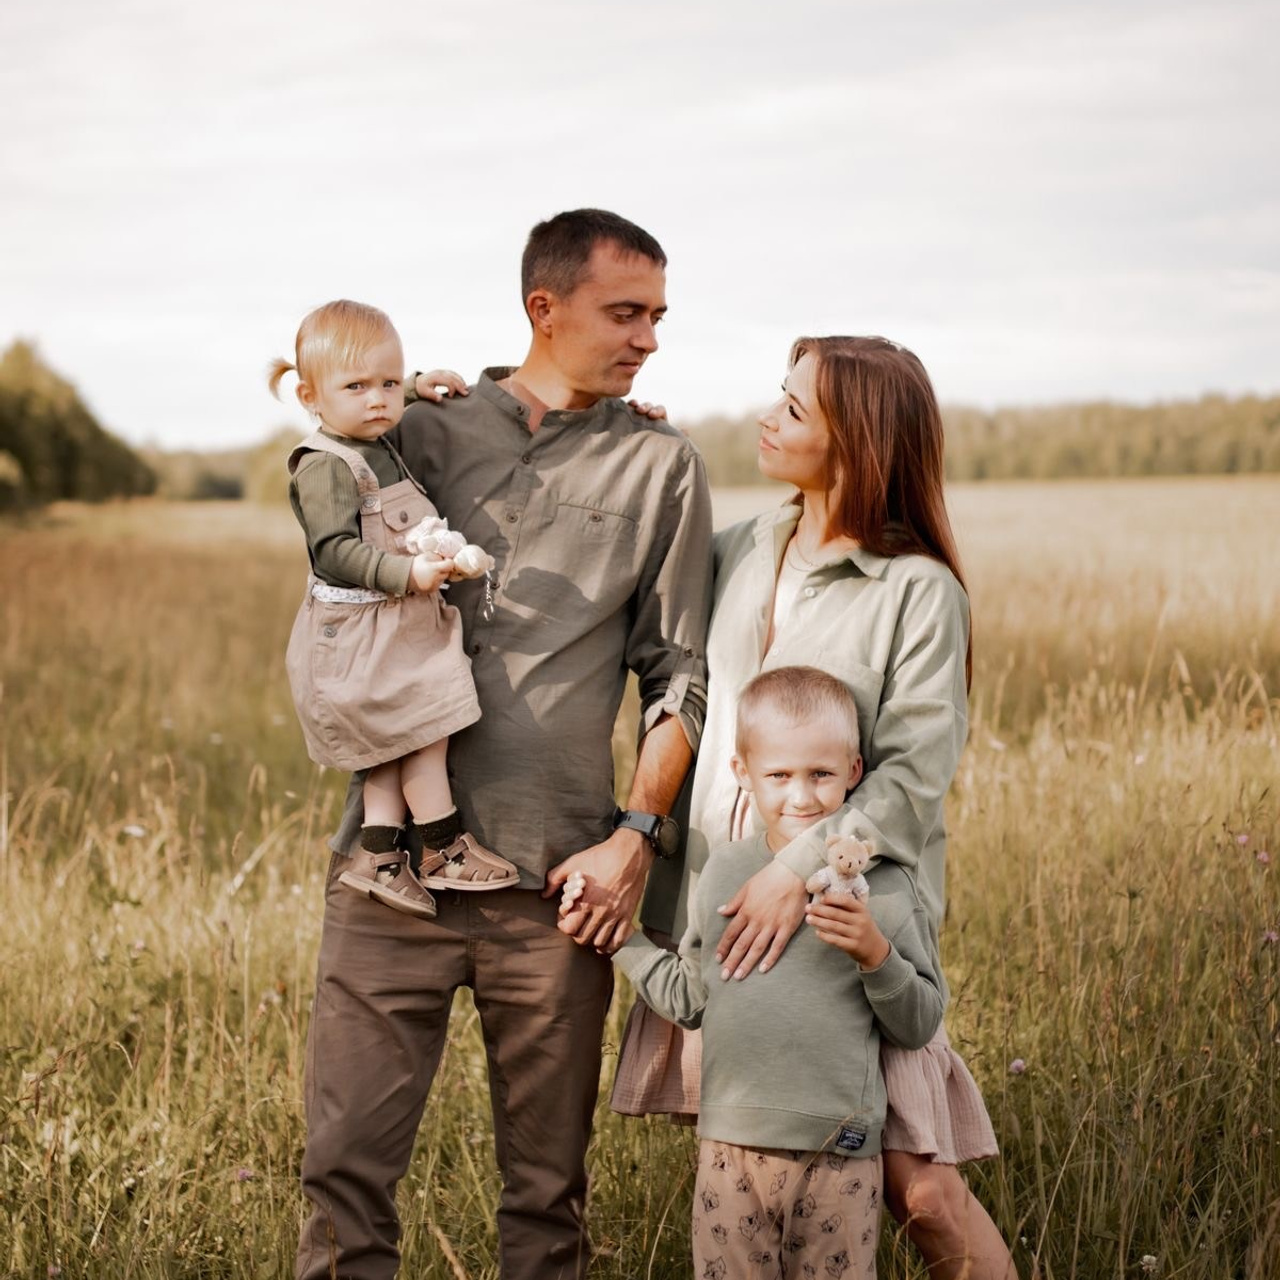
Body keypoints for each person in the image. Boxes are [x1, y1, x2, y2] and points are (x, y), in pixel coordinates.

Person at [294, 211, 713, 1280]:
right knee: (342, 1176)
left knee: (545, 1201)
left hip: (558, 886)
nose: (648, 338)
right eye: (626, 313)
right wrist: (415, 387)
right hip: (389, 878)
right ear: (545, 308)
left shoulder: (661, 466)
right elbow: (321, 442)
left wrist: (635, 837)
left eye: (658, 316)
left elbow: (678, 674)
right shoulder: (419, 427)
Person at [628, 336, 1019, 1279]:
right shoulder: (740, 550)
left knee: (921, 1188)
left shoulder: (918, 591)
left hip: (850, 915)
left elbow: (910, 784)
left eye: (795, 409)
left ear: (860, 441)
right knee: (766, 1173)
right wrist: (630, 440)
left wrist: (789, 875)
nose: (769, 418)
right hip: (727, 916)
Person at [577, 665, 944, 1279]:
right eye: (779, 776)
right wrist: (622, 938)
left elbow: (921, 1022)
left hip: (843, 1152)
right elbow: (694, 999)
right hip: (731, 1149)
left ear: (854, 771)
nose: (802, 797)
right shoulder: (724, 873)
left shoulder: (885, 886)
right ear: (743, 774)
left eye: (822, 774)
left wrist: (876, 956)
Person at [271, 300, 520, 920]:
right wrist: (406, 573)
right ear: (311, 396)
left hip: (390, 620)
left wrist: (416, 387)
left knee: (398, 738)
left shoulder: (371, 435)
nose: (377, 400)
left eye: (388, 382)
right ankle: (442, 846)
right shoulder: (327, 464)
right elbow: (332, 551)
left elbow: (376, 398)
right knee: (423, 734)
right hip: (360, 626)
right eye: (356, 387)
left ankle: (379, 855)